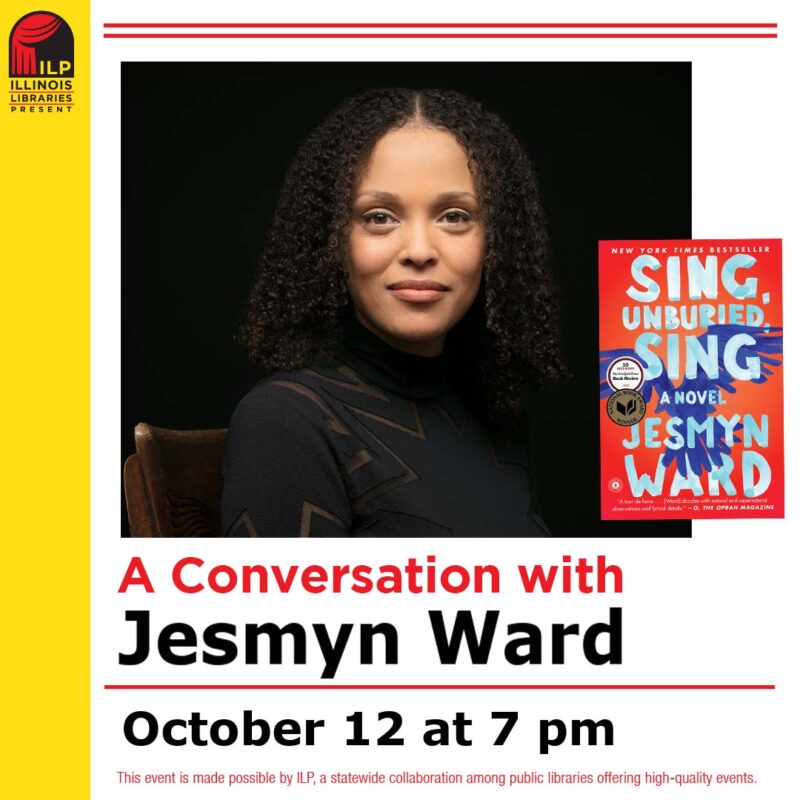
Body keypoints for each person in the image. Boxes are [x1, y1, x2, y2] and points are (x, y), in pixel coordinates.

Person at [221, 88, 566, 537]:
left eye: (455, 216)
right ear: (332, 241)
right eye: (379, 217)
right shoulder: (286, 423)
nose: (420, 251)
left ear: (496, 241)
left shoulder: (496, 416)